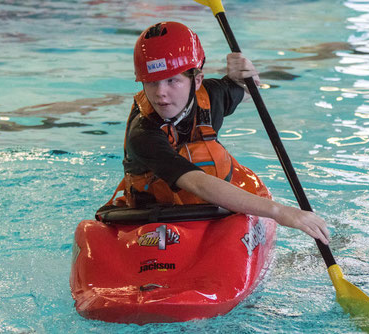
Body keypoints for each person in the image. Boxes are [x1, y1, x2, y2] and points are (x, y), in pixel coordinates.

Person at [103, 21, 329, 245]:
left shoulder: (211, 96)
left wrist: (244, 74)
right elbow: (197, 183)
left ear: (197, 80)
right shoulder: (143, 133)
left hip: (209, 211)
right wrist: (279, 212)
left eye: (172, 80)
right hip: (153, 219)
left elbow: (249, 88)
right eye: (151, 82)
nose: (161, 93)